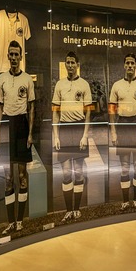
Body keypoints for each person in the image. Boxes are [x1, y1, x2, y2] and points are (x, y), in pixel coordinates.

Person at [0, 42, 35, 234]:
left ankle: (20, 221)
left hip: (22, 125)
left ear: (21, 57)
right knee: (8, 177)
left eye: (16, 54)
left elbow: (32, 107)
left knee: (21, 176)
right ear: (7, 56)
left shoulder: (27, 79)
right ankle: (10, 222)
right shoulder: (1, 79)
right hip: (6, 126)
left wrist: (30, 133)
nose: (12, 57)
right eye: (10, 54)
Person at [52, 51, 92, 222]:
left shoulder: (84, 85)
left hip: (78, 128)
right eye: (67, 62)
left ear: (77, 65)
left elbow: (88, 112)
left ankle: (77, 209)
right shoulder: (59, 85)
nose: (70, 65)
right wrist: (56, 135)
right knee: (67, 172)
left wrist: (84, 136)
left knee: (79, 172)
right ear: (65, 64)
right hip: (64, 129)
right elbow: (55, 112)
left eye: (72, 62)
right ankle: (68, 210)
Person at [109, 54, 136, 209]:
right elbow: (112, 111)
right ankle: (125, 201)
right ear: (124, 65)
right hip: (122, 125)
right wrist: (113, 132)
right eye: (127, 63)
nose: (130, 66)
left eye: (132, 63)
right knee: (125, 166)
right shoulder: (116, 85)